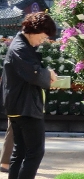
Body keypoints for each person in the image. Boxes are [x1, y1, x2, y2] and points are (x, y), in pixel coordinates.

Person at [2, 12, 58, 178]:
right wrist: (48, 74)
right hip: (25, 107)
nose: (42, 41)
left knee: (20, 152)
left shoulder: (21, 46)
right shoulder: (20, 47)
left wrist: (46, 73)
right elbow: (33, 74)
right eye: (41, 37)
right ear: (33, 30)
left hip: (18, 106)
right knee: (35, 152)